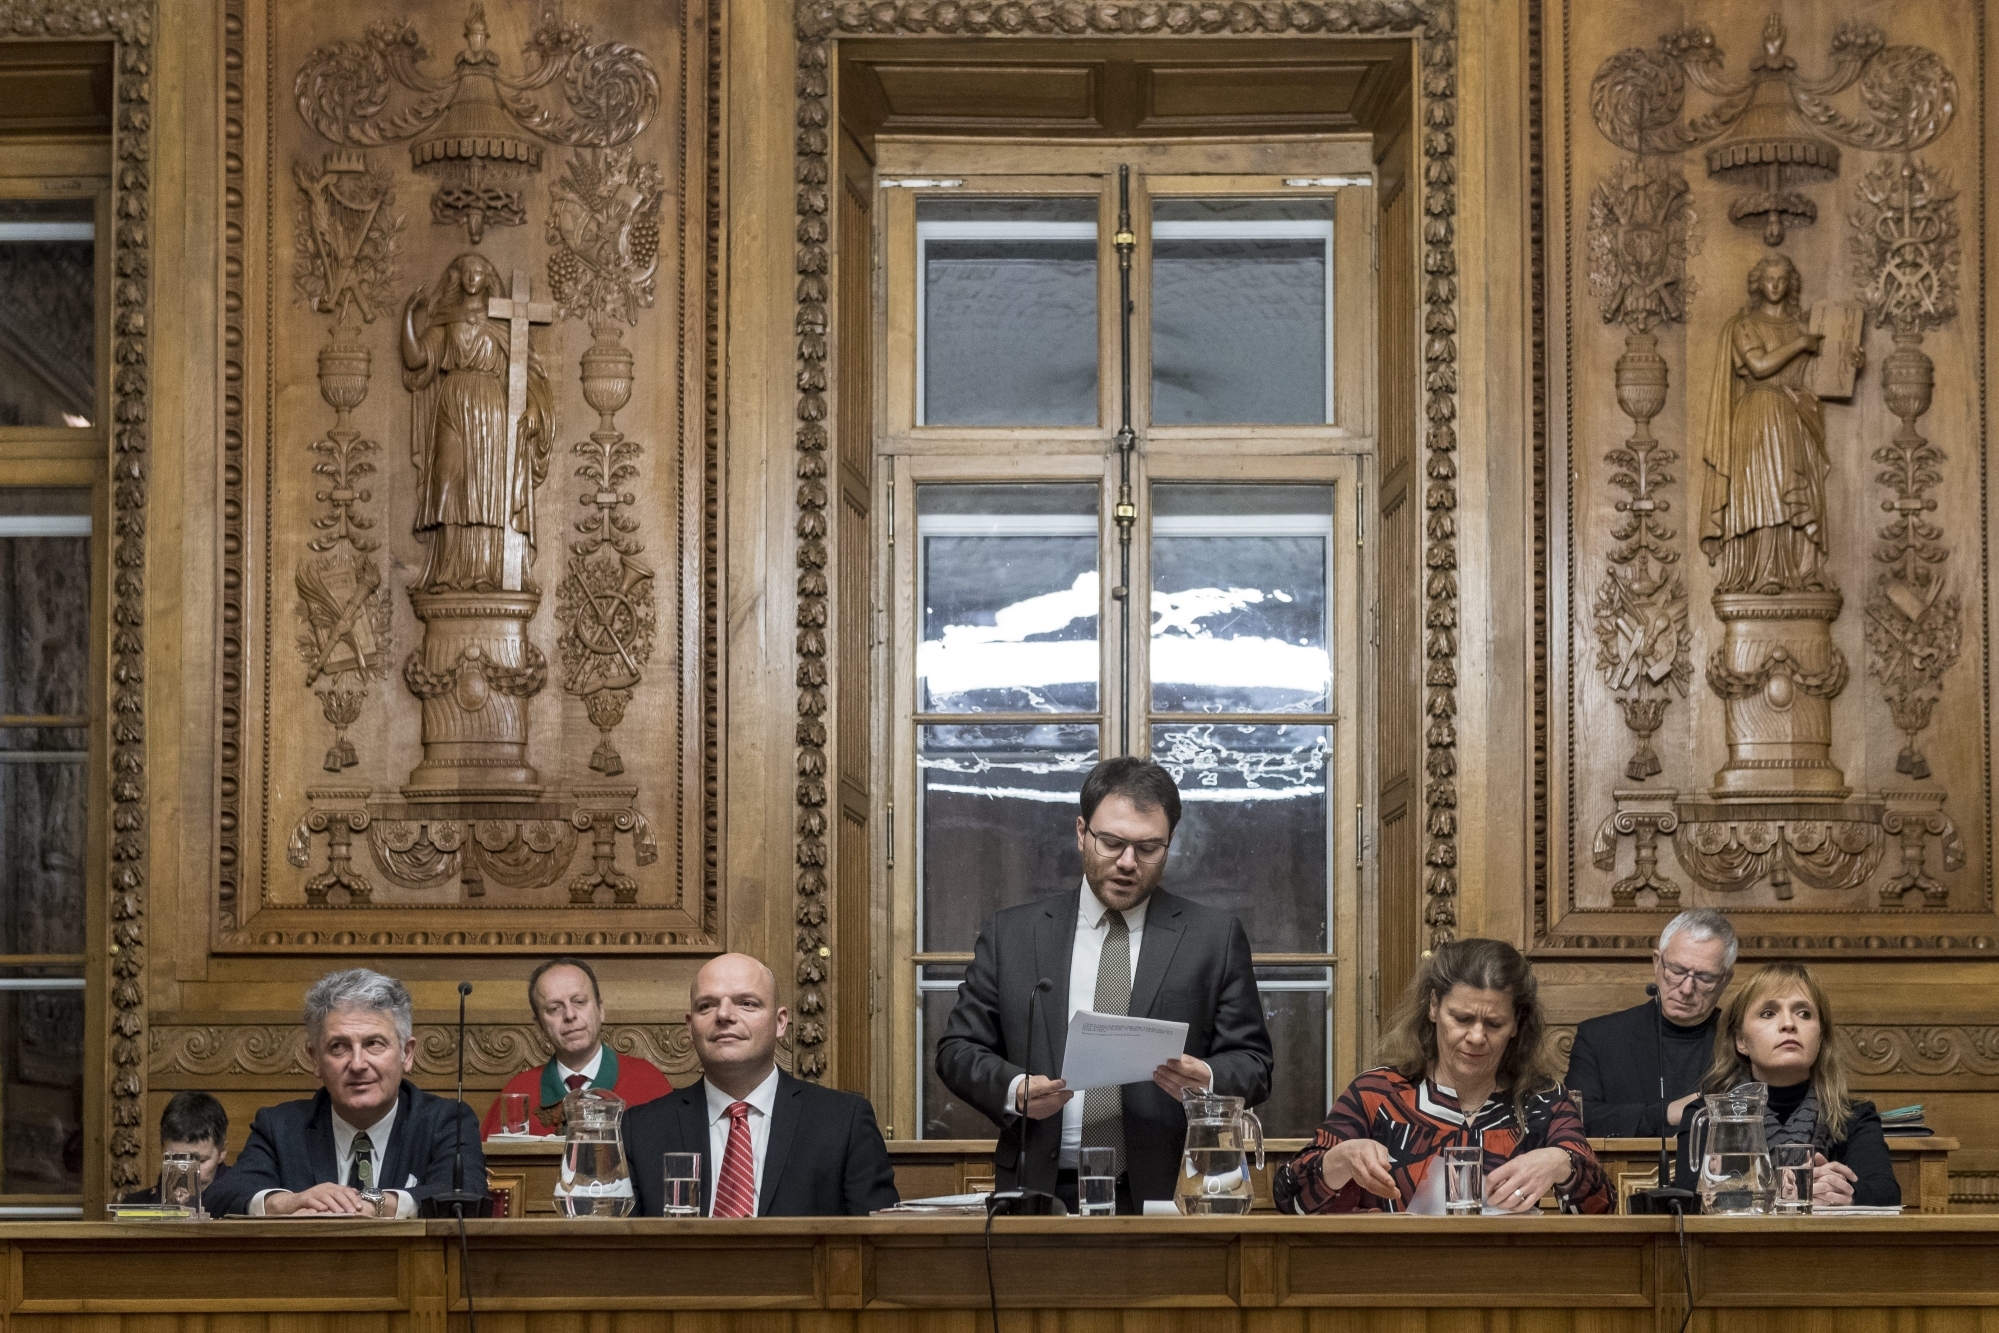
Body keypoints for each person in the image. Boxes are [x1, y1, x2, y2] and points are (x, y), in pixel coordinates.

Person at [936, 757, 1273, 1214]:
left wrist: (1206, 1082)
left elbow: (1254, 1063)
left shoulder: (1212, 938)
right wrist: (1015, 1089)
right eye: (1111, 843)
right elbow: (957, 1050)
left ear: (1169, 844)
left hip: (1166, 1191)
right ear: (1081, 833)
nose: (1128, 863)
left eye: (1149, 848)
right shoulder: (1012, 935)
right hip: (1041, 1186)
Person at [1276, 938, 1612, 1215]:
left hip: (1507, 1281)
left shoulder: (1543, 1101)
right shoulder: (1377, 1094)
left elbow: (1604, 1211)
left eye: (1494, 1024)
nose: (1477, 1037)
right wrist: (1341, 1159)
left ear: (1517, 1024)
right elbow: (1287, 1198)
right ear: (1434, 1007)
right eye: (1462, 1019)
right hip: (1389, 1282)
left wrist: (1562, 1163)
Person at [624, 953, 898, 1217]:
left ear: (780, 1023)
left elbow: (878, 1247)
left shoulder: (843, 1122)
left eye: (747, 1003)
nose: (724, 1014)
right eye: (706, 1005)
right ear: (690, 1027)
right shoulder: (640, 1130)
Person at [204, 969, 486, 1217]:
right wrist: (289, 1202)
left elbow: (467, 1194)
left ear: (406, 1054)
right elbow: (222, 1195)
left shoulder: (445, 1121)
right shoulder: (280, 1127)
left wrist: (376, 1203)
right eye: (339, 1047)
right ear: (315, 1059)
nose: (358, 1064)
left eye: (374, 1043)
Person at [1674, 961, 1898, 1208]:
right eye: (1768, 1013)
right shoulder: (1708, 1115)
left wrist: (1846, 1193)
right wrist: (1781, 1192)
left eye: (1804, 1013)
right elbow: (1686, 1202)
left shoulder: (1854, 1116)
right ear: (1741, 1041)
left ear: (1821, 1037)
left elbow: (1886, 1193)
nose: (1789, 1024)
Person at [1699, 253, 1861, 595]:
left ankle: (1804, 569)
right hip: (1759, 411)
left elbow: (1819, 376)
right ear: (1759, 283)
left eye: (1781, 280)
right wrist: (1801, 344)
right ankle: (1764, 571)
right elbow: (1758, 365)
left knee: (1799, 489)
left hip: (1797, 413)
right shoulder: (1744, 325)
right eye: (1769, 279)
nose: (1775, 286)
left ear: (1790, 285)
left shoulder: (1804, 324)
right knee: (1766, 490)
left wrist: (1849, 362)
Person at [1566, 909, 1737, 1136]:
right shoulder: (1599, 1038)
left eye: (1704, 978)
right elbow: (1573, 1120)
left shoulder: (1740, 1040)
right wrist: (1668, 1113)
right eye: (1676, 971)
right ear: (1657, 963)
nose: (1686, 989)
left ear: (1725, 980)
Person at [480, 956, 672, 1138]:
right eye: (554, 1008)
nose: (570, 1015)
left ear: (601, 1010)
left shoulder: (648, 1082)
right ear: (539, 1025)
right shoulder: (518, 1094)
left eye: (579, 1002)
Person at [121, 1091, 232, 1206]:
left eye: (199, 1161)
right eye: (175, 1159)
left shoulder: (244, 1205)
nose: (185, 1172)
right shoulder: (136, 1205)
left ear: (222, 1151)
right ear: (162, 1148)